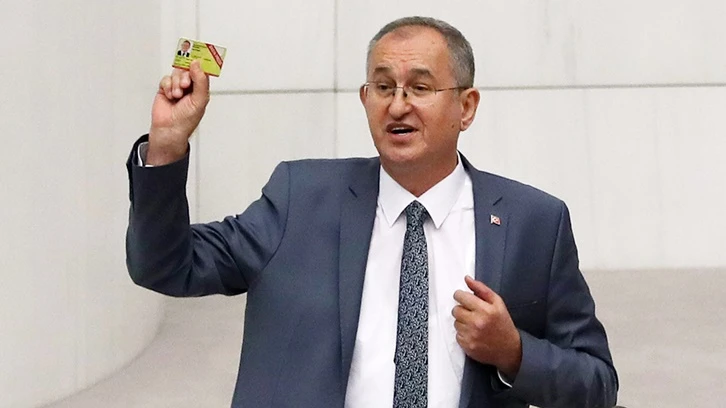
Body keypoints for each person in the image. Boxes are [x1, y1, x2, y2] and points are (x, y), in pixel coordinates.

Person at [126, 16, 618, 408]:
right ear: (366, 99)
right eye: (383, 87)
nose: (398, 106)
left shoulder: (534, 222)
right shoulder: (301, 199)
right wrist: (166, 147)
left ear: (466, 107)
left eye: (420, 88)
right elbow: (165, 265)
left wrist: (513, 353)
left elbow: (597, 384)